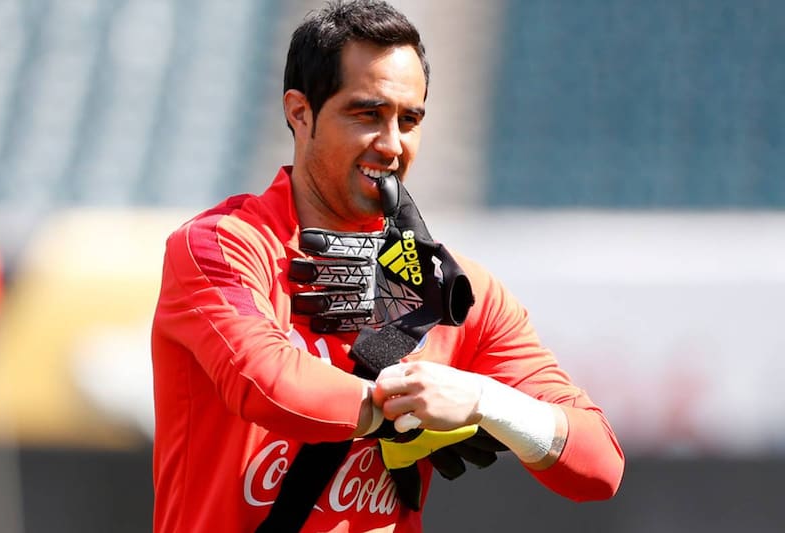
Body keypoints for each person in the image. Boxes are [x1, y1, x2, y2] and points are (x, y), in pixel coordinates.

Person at [150, 1, 624, 531]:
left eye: (409, 119)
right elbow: (266, 385)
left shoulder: (454, 292)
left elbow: (599, 466)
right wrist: (405, 413)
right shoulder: (219, 247)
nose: (392, 144)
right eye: (367, 114)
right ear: (300, 113)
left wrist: (484, 402)